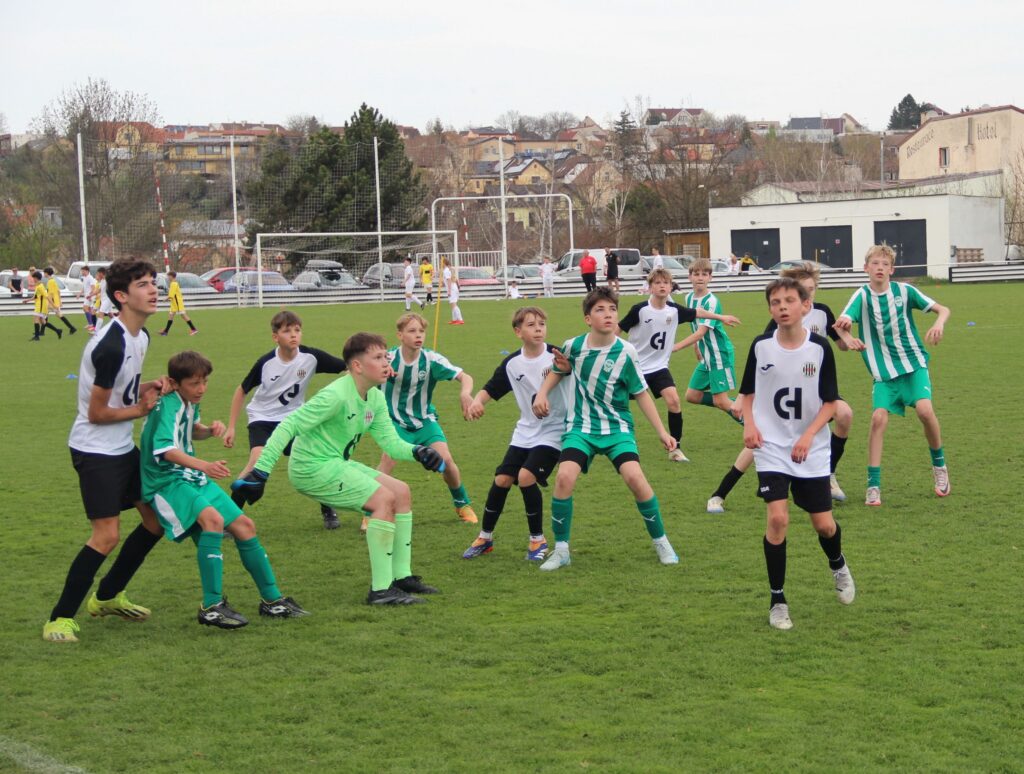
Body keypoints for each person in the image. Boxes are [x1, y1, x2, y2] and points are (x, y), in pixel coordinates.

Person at [231, 332, 446, 606]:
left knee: (401, 491)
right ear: (357, 366)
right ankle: (382, 591)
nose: (386, 363)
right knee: (383, 499)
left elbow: (391, 444)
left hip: (334, 463)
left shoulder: (375, 397)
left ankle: (401, 576)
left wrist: (417, 451)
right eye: (378, 358)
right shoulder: (335, 395)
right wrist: (261, 472)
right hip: (311, 468)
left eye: (386, 357)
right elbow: (288, 425)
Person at [42, 258, 166, 643]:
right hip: (95, 450)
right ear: (121, 296)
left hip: (122, 447)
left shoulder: (140, 337)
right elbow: (96, 414)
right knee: (106, 536)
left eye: (153, 282)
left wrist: (147, 387)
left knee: (155, 522)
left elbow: (121, 389)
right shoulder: (110, 345)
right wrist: (140, 410)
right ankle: (59, 619)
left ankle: (108, 596)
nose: (153, 290)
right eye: (143, 284)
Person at [139, 350, 307, 628]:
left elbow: (189, 429)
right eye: (194, 383)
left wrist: (207, 431)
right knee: (213, 521)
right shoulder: (167, 403)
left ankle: (272, 601)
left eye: (204, 381)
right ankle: (211, 606)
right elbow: (165, 450)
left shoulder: (189, 400)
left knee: (245, 526)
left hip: (189, 475)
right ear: (175, 383)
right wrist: (204, 465)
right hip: (165, 480)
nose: (201, 389)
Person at [532, 287, 680, 571]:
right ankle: (561, 550)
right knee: (564, 477)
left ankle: (661, 541)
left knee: (635, 478)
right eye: (600, 310)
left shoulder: (626, 352)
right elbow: (559, 370)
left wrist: (662, 432)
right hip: (581, 428)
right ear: (588, 318)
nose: (608, 314)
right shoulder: (573, 346)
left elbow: (641, 393)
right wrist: (542, 394)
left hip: (616, 428)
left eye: (612, 309)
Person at [740, 277, 854, 631]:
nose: (782, 307)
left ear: (805, 306)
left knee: (824, 525)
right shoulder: (760, 346)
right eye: (776, 302)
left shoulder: (819, 348)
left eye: (789, 300)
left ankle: (838, 564)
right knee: (777, 520)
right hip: (772, 447)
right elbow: (747, 393)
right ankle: (777, 601)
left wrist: (807, 435)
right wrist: (749, 425)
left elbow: (831, 403)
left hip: (811, 449)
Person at [706, 261, 857, 513]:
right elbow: (762, 357)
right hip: (782, 388)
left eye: (811, 289)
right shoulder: (781, 319)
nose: (809, 294)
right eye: (804, 289)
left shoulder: (822, 312)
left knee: (845, 414)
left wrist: (848, 337)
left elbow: (839, 345)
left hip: (812, 387)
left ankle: (828, 473)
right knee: (760, 441)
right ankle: (720, 493)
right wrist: (743, 397)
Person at [834, 243, 951, 506]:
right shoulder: (861, 296)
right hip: (884, 374)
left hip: (914, 364)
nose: (880, 268)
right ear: (866, 268)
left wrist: (938, 323)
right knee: (878, 419)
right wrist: (848, 337)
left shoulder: (904, 291)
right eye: (875, 263)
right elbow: (840, 325)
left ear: (892, 270)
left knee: (925, 411)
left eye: (885, 264)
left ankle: (940, 467)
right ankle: (873, 485)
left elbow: (943, 309)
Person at [224, 310, 348, 529]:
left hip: (293, 420)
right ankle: (229, 519)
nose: (293, 335)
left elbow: (346, 367)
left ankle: (328, 509)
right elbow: (241, 390)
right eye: (287, 331)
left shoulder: (311, 357)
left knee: (314, 461)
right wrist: (231, 427)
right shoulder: (266, 363)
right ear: (275, 337)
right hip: (262, 418)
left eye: (297, 330)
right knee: (256, 462)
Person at [463, 306, 569, 561]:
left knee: (525, 476)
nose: (538, 329)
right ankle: (485, 537)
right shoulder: (513, 363)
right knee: (502, 480)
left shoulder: (557, 356)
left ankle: (537, 540)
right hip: (525, 431)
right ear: (518, 331)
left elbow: (572, 374)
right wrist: (477, 402)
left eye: (542, 324)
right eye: (531, 325)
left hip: (554, 430)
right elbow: (491, 388)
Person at [619, 267, 740, 463]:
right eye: (657, 283)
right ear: (650, 287)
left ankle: (675, 449)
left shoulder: (674, 310)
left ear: (670, 287)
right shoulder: (639, 310)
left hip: (659, 367)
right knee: (617, 401)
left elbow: (698, 313)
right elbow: (618, 329)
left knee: (674, 400)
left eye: (665, 283)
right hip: (635, 367)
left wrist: (721, 317)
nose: (662, 286)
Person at [377, 313, 477, 525]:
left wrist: (465, 393)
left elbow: (465, 376)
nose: (418, 335)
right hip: (394, 422)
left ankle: (462, 504)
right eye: (412, 331)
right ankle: (370, 513)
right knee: (388, 460)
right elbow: (361, 374)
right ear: (400, 335)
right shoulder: (388, 358)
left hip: (424, 421)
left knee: (446, 460)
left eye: (421, 331)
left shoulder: (431, 359)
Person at [677, 258, 742, 421]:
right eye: (696, 274)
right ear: (689, 277)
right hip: (707, 356)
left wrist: (675, 347)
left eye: (704, 274)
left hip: (719, 355)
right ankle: (740, 406)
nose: (700, 277)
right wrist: (696, 347)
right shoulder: (688, 298)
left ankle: (755, 428)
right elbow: (694, 324)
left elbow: (701, 332)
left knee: (721, 401)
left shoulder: (711, 301)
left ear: (710, 278)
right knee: (692, 395)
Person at [158, 271, 198, 336]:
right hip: (174, 303)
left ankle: (193, 329)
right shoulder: (173, 283)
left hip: (177, 303)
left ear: (171, 276)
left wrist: (164, 299)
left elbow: (171, 295)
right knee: (171, 316)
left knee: (183, 316)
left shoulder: (173, 284)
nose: (168, 277)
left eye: (168, 276)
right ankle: (165, 331)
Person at [30, 270, 62, 341]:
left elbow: (47, 296)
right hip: (39, 306)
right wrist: (27, 300)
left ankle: (37, 337)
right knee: (43, 322)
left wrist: (54, 305)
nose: (33, 279)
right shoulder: (38, 286)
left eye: (33, 278)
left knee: (36, 319)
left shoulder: (40, 286)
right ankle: (58, 331)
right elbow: (36, 296)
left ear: (36, 278)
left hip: (41, 306)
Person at [44, 266, 77, 335]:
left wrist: (52, 303)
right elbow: (58, 291)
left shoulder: (50, 282)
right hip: (54, 302)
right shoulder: (53, 281)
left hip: (52, 303)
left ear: (47, 273)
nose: (44, 274)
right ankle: (71, 328)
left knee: (46, 315)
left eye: (44, 273)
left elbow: (51, 293)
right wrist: (59, 301)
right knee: (50, 315)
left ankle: (71, 328)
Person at [92, 267, 115, 333]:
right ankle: (119, 326)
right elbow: (99, 290)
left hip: (108, 299)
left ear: (101, 273)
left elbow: (112, 288)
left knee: (101, 313)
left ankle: (96, 331)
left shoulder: (108, 280)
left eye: (98, 273)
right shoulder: (102, 280)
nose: (97, 275)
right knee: (110, 314)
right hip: (104, 299)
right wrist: (91, 295)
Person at [442, 258, 464, 324]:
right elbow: (452, 279)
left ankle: (460, 319)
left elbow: (449, 280)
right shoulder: (447, 270)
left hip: (452, 289)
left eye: (442, 263)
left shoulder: (446, 270)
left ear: (444, 263)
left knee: (454, 304)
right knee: (452, 304)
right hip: (453, 288)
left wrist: (449, 291)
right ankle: (454, 319)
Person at [79, 265, 97, 332]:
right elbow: (84, 287)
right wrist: (79, 294)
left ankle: (91, 324)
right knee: (89, 310)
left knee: (85, 308)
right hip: (87, 296)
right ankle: (91, 324)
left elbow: (93, 287)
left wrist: (90, 295)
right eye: (82, 271)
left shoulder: (90, 278)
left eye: (83, 271)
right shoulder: (84, 277)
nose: (82, 272)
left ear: (87, 271)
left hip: (90, 296)